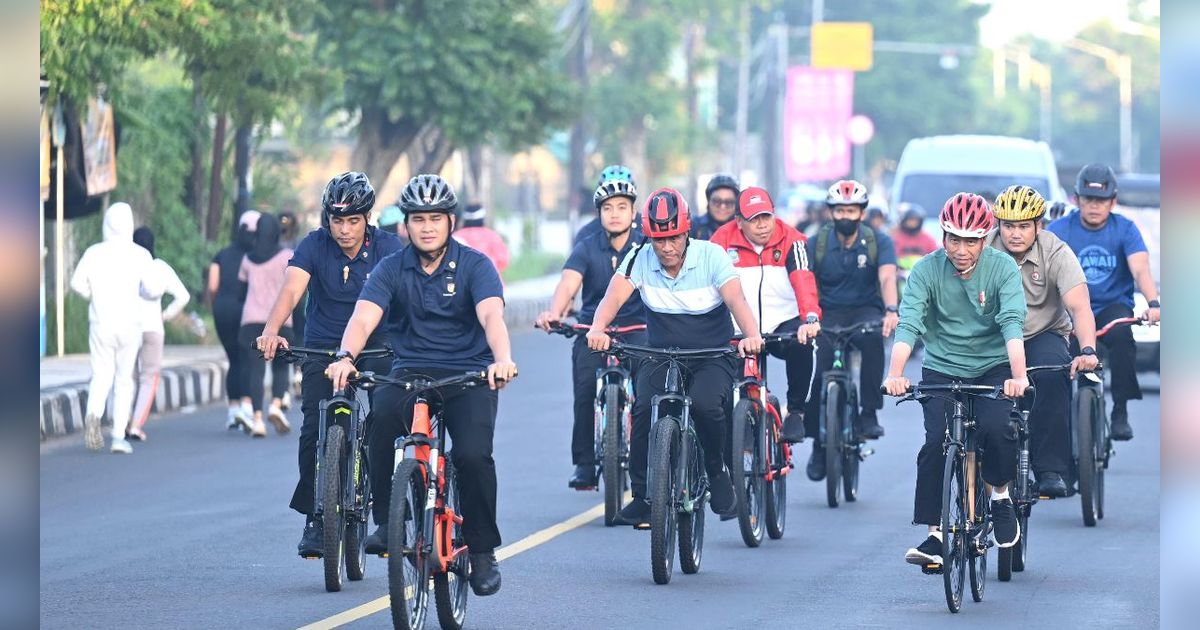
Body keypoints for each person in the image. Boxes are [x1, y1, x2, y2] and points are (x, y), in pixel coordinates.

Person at [326, 173, 517, 597]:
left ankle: (483, 551)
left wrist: (501, 360)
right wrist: (346, 356)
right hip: (410, 371)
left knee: (472, 456)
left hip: (469, 374)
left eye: (435, 218)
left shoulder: (475, 266)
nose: (426, 227)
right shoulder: (391, 267)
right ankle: (385, 521)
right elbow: (363, 317)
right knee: (379, 424)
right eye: (417, 219)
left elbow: (491, 316)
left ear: (451, 221)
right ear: (405, 224)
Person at [586, 187, 765, 528]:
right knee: (641, 407)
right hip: (660, 354)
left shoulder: (712, 256)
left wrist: (751, 334)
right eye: (658, 240)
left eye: (673, 238)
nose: (666, 248)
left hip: (711, 354)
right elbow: (614, 295)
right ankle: (641, 496)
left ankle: (716, 470)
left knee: (705, 404)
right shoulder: (640, 257)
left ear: (687, 232)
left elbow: (737, 301)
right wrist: (598, 327)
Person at [255, 172, 403, 557]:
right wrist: (272, 330)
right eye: (338, 220)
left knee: (387, 419)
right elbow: (291, 288)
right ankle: (316, 520)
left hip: (378, 346)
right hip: (322, 347)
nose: (345, 230)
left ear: (367, 218)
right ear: (327, 219)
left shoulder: (389, 248)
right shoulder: (314, 246)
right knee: (313, 430)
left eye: (353, 220)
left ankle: (386, 518)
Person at [882, 192, 1027, 567]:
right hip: (943, 366)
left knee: (998, 429)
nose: (961, 249)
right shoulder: (927, 270)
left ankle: (999, 496)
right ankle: (935, 535)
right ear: (943, 236)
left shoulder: (1002, 268)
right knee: (935, 444)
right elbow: (909, 323)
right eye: (953, 239)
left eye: (971, 240)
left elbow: (1012, 323)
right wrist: (895, 374)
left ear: (985, 238)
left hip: (993, 366)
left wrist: (1018, 375)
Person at [535, 165, 647, 489]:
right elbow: (568, 283)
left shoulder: (647, 246)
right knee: (584, 392)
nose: (615, 214)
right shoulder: (586, 245)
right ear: (598, 212)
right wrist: (554, 313)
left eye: (622, 207)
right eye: (608, 208)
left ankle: (646, 463)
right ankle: (584, 464)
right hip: (591, 330)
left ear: (633, 211)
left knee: (648, 398)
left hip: (637, 330)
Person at [990, 185, 1099, 497]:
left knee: (1053, 373)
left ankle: (1051, 467)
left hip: (1042, 332)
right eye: (1008, 226)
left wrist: (1088, 349)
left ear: (1038, 225)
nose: (1015, 234)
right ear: (998, 224)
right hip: (993, 336)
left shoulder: (1056, 251)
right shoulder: (982, 249)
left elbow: (1080, 307)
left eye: (1024, 226)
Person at [1048, 163, 1159, 441]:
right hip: (1069, 311)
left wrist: (1153, 303)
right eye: (1088, 199)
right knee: (1055, 361)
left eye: (1101, 200)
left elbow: (1140, 269)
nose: (1094, 206)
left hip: (1111, 308)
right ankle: (1056, 425)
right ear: (1076, 200)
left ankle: (1120, 410)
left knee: (1123, 337)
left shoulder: (1125, 229)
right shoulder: (1061, 229)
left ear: (1113, 201)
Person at [801, 180, 899, 478]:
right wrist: (808, 317)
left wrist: (891, 310)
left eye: (852, 210)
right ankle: (820, 446)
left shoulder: (877, 241)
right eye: (840, 210)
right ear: (831, 212)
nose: (846, 215)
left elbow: (886, 278)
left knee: (872, 345)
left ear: (861, 212)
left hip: (865, 310)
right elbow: (805, 283)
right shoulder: (815, 243)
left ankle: (868, 413)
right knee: (820, 375)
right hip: (827, 312)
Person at [709, 186, 821, 442]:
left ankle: (795, 411)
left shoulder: (794, 239)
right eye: (753, 219)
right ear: (738, 222)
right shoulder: (721, 241)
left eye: (766, 216)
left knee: (802, 344)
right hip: (738, 328)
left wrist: (810, 319)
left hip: (782, 322)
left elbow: (804, 282)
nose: (762, 225)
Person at [69, 202, 164, 453]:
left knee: (101, 375)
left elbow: (77, 283)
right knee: (124, 380)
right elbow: (153, 288)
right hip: (130, 324)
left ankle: (93, 418)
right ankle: (119, 436)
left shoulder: (93, 253)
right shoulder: (139, 255)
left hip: (100, 322)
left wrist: (95, 296)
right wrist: (140, 292)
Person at [128, 226, 190, 442]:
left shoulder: (126, 266)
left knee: (128, 376)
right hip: (153, 328)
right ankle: (136, 425)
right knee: (148, 378)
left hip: (128, 327)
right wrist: (166, 314)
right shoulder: (160, 267)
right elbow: (183, 295)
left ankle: (123, 419)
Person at [237, 213, 295, 438]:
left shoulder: (247, 259)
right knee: (281, 366)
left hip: (251, 320)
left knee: (255, 370)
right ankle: (276, 404)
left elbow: (241, 292)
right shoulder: (286, 257)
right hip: (280, 321)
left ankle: (258, 420)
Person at [209, 210, 260, 431]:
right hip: (247, 312)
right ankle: (247, 408)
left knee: (233, 359)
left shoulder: (222, 254)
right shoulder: (257, 256)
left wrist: (217, 305)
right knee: (247, 358)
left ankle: (232, 411)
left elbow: (213, 286)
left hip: (222, 309)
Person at [454, 203, 510, 277]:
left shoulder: (456, 237)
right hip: (490, 281)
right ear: (482, 218)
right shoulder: (492, 236)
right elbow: (503, 261)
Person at [690, 173, 740, 240]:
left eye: (729, 202)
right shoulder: (693, 227)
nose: (722, 207)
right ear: (708, 201)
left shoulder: (743, 229)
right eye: (717, 201)